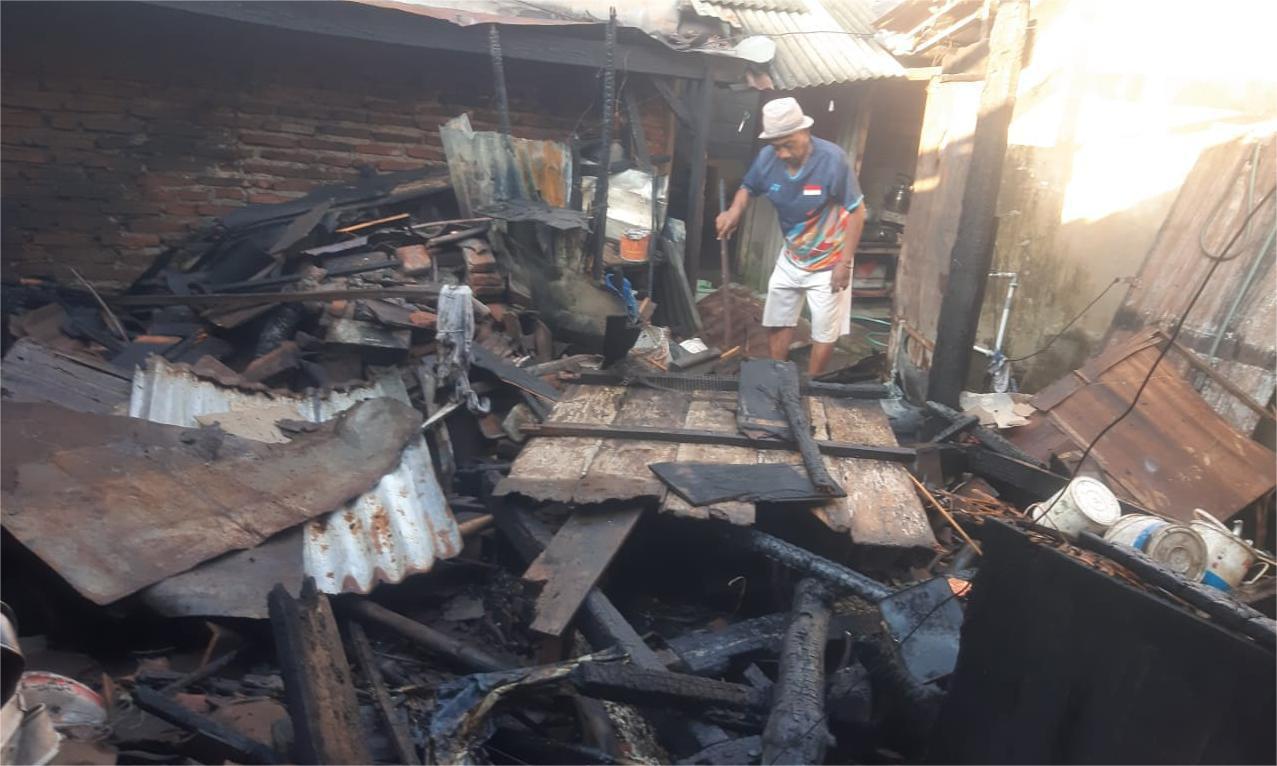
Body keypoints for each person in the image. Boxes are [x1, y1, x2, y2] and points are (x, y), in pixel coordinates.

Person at [716, 97, 866, 375]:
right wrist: (734, 211)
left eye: (788, 144)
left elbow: (857, 211)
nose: (783, 153)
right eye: (777, 147)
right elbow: (747, 187)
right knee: (779, 318)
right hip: (792, 257)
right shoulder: (767, 159)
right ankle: (777, 375)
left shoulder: (832, 160)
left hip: (830, 261)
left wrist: (844, 264)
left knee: (824, 329)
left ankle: (813, 384)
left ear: (805, 131)